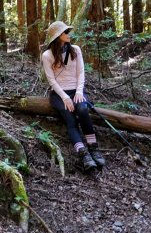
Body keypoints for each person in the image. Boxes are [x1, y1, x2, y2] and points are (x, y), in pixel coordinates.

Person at [41, 21, 106, 171]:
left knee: (83, 109)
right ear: (57, 36)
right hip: (58, 94)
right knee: (70, 118)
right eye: (65, 32)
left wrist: (78, 91)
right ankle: (83, 154)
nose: (68, 34)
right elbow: (51, 80)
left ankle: (93, 147)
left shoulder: (75, 50)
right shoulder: (47, 55)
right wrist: (65, 97)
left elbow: (81, 72)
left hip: (76, 90)